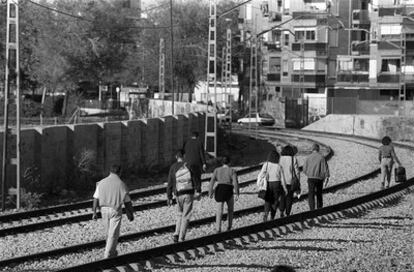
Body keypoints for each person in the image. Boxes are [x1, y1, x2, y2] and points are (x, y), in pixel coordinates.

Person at [92, 165, 134, 258]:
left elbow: (95, 198)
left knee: (108, 233)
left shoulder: (101, 183)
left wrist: (94, 212)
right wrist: (130, 214)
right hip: (115, 210)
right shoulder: (121, 184)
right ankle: (108, 255)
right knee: (113, 234)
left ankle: (113, 253)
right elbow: (127, 202)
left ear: (110, 172)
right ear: (120, 172)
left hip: (103, 210)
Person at [167, 149, 201, 243]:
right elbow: (195, 178)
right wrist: (198, 191)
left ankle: (176, 233)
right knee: (186, 216)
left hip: (178, 194)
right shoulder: (189, 165)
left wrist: (169, 197)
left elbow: (169, 183)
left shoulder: (173, 167)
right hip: (189, 193)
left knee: (179, 214)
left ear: (176, 157)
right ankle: (181, 238)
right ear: (184, 156)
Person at [209, 155, 239, 233]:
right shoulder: (232, 171)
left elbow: (212, 181)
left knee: (219, 211)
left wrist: (210, 192)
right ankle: (229, 227)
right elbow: (235, 182)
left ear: (222, 162)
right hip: (229, 190)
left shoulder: (217, 170)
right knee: (230, 210)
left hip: (220, 190)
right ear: (229, 162)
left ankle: (218, 228)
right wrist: (237, 193)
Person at [258, 150, 287, 221]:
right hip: (277, 183)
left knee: (268, 200)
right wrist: (285, 188)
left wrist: (260, 182)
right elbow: (283, 178)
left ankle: (266, 214)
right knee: (275, 200)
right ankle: (272, 217)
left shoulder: (266, 164)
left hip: (268, 183)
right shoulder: (279, 166)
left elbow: (261, 174)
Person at [302, 143, 330, 211]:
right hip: (319, 179)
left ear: (312, 149)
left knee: (311, 194)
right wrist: (326, 176)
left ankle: (312, 209)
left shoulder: (308, 157)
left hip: (311, 178)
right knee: (319, 194)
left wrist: (309, 174)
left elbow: (304, 169)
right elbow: (325, 168)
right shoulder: (321, 157)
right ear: (318, 149)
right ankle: (319, 208)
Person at [279, 145, 300, 216]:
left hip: (281, 181)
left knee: (282, 196)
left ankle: (281, 210)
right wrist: (298, 181)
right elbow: (297, 171)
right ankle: (287, 213)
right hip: (290, 181)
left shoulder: (280, 159)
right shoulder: (293, 159)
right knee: (289, 198)